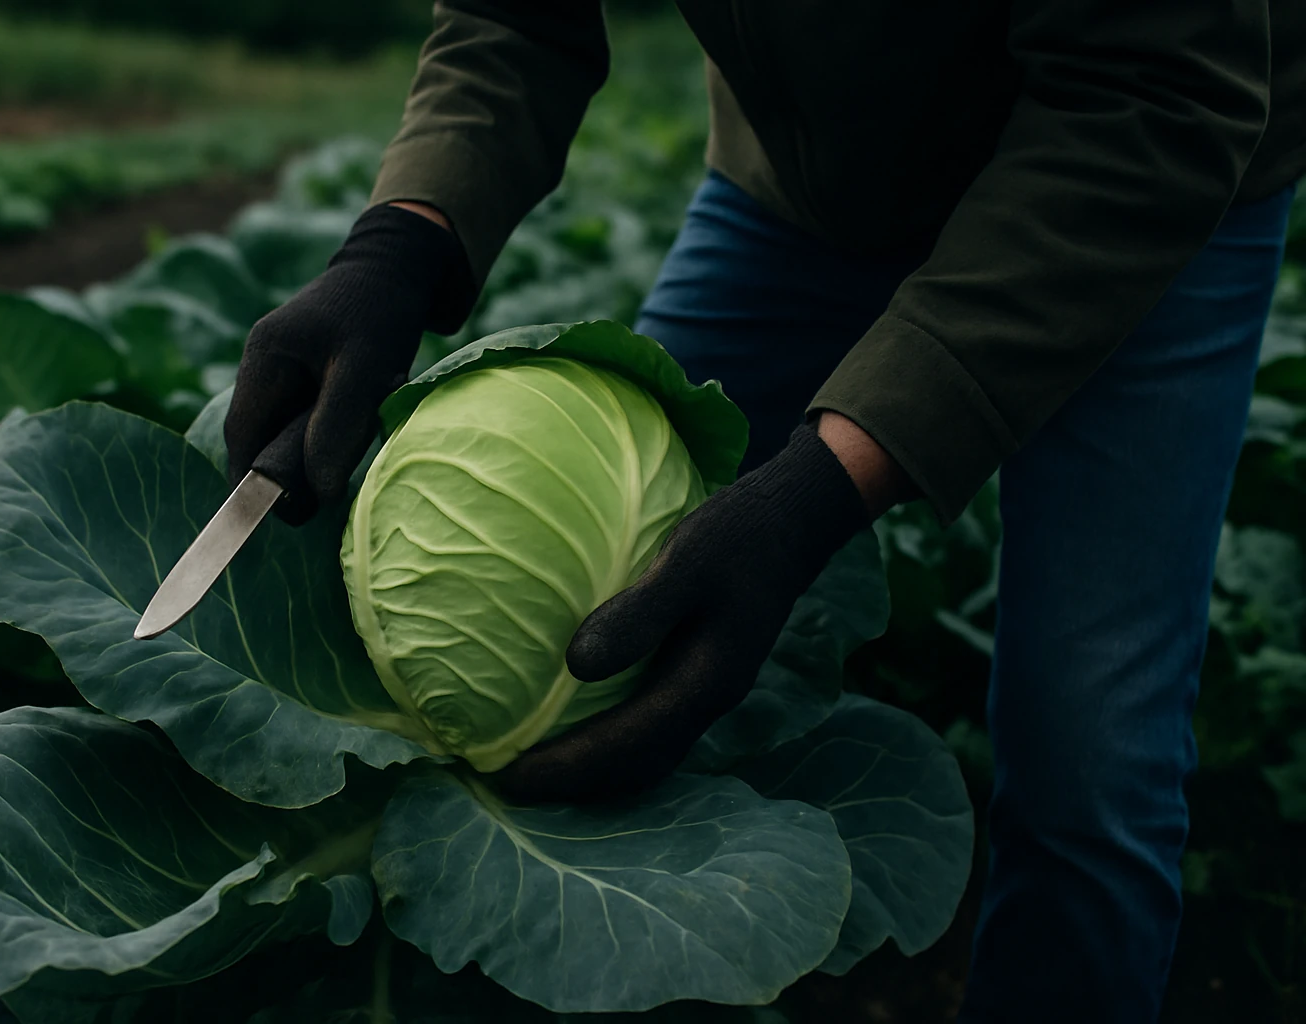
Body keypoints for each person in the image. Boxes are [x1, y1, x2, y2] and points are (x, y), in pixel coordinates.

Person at [222, 2, 1306, 1019]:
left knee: (1091, 754)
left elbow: (1154, 91)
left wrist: (814, 494)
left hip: (1135, 175)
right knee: (616, 620)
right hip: (808, 185)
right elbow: (516, 15)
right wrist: (402, 240)